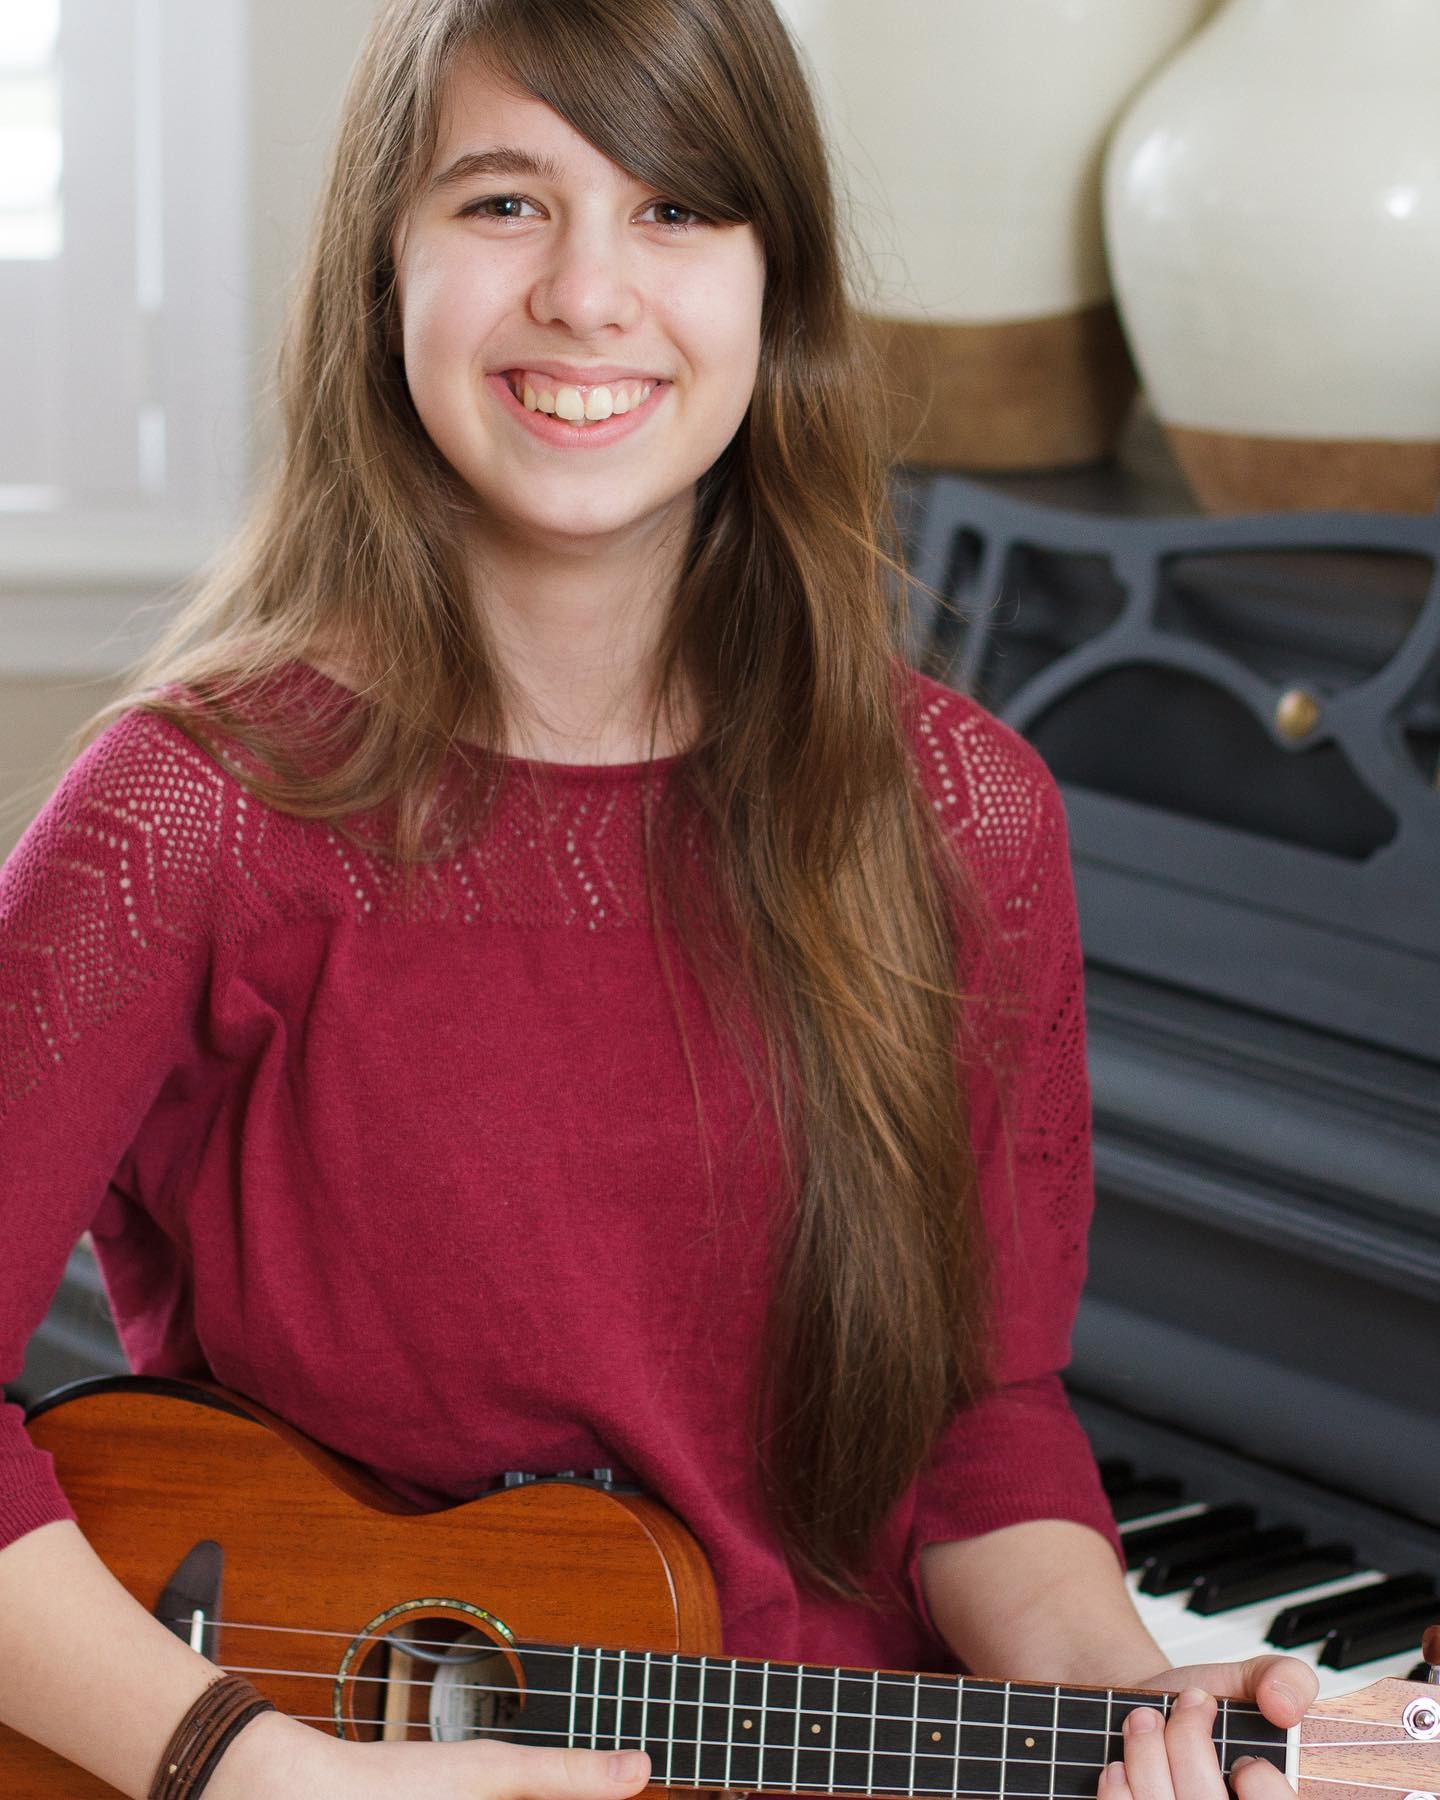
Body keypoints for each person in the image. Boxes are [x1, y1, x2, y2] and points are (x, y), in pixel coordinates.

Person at [0, 1, 1317, 1796]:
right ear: (381, 265)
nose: (592, 297)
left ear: (779, 289)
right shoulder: (190, 816)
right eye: (504, 204)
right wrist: (250, 1768)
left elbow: (972, 1435)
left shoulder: (957, 814)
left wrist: (1121, 1706)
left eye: (679, 209)